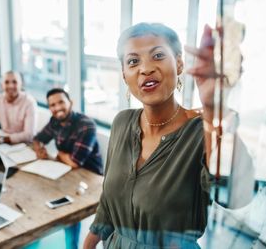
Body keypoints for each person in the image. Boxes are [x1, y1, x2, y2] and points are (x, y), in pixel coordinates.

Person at [83, 23, 218, 248]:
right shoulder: (122, 122)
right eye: (133, 61)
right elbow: (108, 202)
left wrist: (215, 109)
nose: (145, 69)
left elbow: (229, 192)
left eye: (157, 55)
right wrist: (88, 244)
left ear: (179, 63)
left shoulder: (201, 130)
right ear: (125, 75)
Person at [32, 88, 104, 249]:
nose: (57, 108)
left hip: (90, 179)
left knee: (69, 210)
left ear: (70, 102)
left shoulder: (86, 125)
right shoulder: (55, 121)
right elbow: (37, 139)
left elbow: (75, 162)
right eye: (53, 105)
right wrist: (40, 149)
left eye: (61, 102)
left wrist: (59, 154)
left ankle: (71, 245)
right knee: (36, 191)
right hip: (65, 172)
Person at [0, 71, 37, 145]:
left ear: (21, 84)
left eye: (14, 82)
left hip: (24, 145)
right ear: (2, 85)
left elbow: (29, 135)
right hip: (4, 144)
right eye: (6, 82)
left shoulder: (29, 102)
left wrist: (3, 139)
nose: (10, 86)